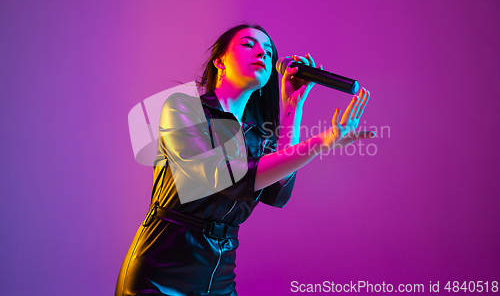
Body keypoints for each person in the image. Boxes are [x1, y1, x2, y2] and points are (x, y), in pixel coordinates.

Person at [115, 24, 374, 296]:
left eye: (269, 51)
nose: (263, 52)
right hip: (162, 268)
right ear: (219, 61)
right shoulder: (182, 107)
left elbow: (278, 192)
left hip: (221, 273)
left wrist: (292, 107)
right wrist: (323, 141)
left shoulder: (256, 135)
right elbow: (224, 178)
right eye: (249, 44)